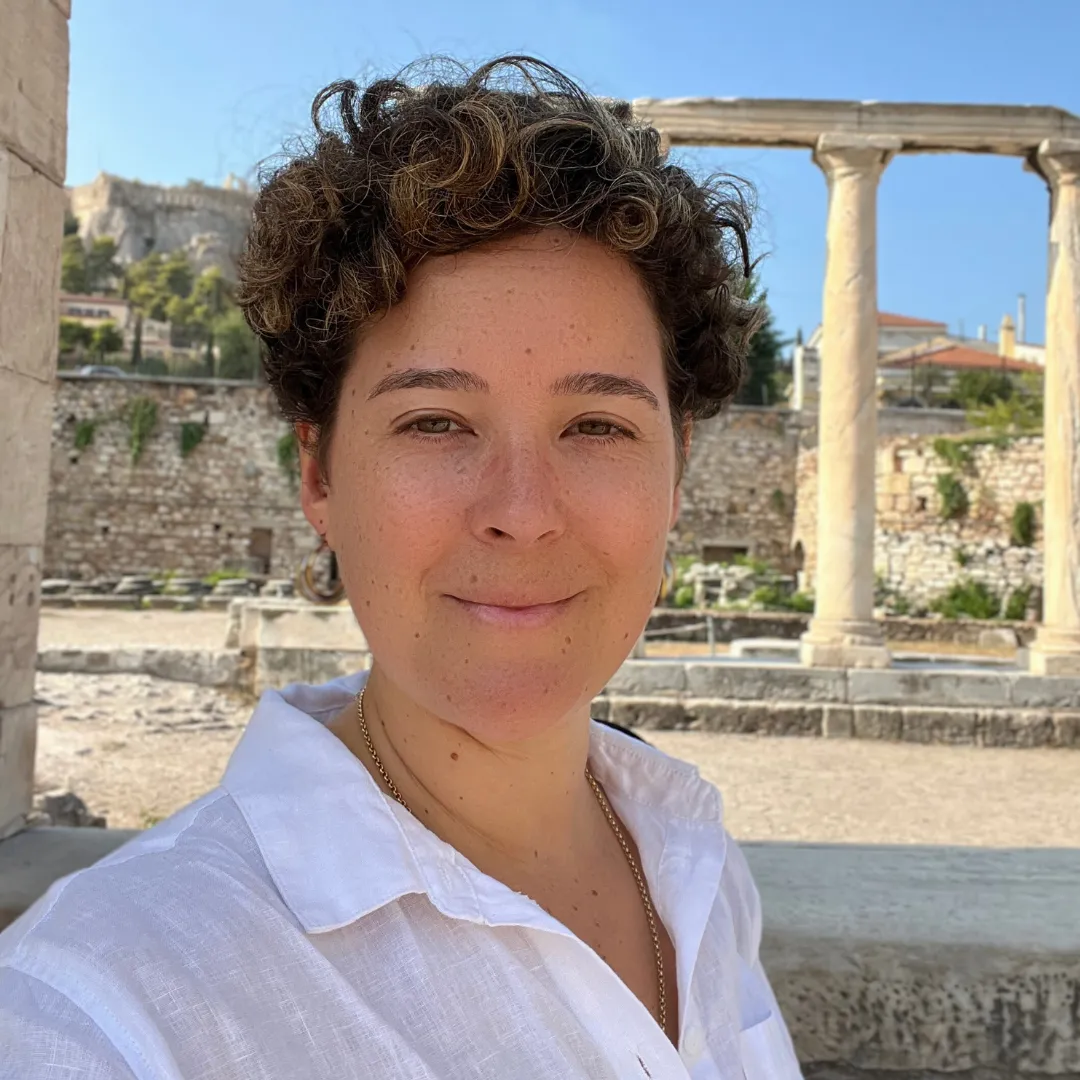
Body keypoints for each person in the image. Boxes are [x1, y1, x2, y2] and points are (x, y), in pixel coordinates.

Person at [0, 56, 802, 1078]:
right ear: (318, 474)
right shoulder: (94, 1012)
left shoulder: (695, 867)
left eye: (596, 424)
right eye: (435, 422)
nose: (522, 511)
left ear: (678, 467)